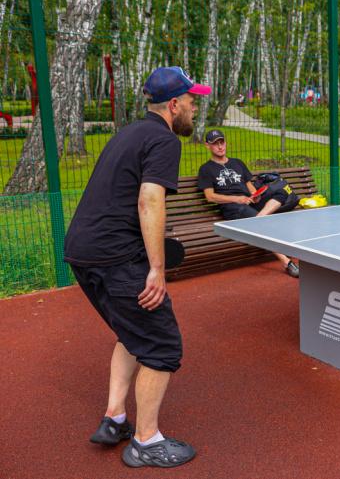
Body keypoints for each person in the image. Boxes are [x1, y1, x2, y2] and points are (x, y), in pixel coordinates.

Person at [64, 67, 210, 467]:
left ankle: (114, 418)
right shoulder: (164, 139)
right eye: (192, 101)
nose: (195, 108)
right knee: (162, 346)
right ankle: (146, 442)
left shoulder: (128, 133)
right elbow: (149, 200)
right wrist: (156, 270)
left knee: (132, 333)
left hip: (83, 251)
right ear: (174, 104)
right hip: (116, 257)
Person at [197, 129, 300, 277]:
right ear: (207, 146)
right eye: (215, 144)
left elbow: (249, 185)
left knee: (282, 192)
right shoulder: (206, 169)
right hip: (232, 207)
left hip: (249, 201)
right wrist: (237, 199)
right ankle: (285, 261)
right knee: (258, 222)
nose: (220, 146)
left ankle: (259, 218)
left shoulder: (237, 162)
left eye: (222, 142)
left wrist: (255, 195)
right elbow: (210, 197)